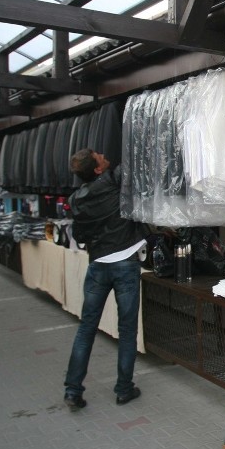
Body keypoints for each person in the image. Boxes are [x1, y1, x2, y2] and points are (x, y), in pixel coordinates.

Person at [63, 149, 147, 411]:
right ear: (98, 169)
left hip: (98, 265)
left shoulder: (76, 199)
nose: (102, 153)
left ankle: (72, 390)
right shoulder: (114, 180)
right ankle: (123, 389)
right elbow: (134, 156)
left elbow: (80, 234)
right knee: (127, 330)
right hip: (125, 263)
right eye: (99, 156)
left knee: (86, 328)